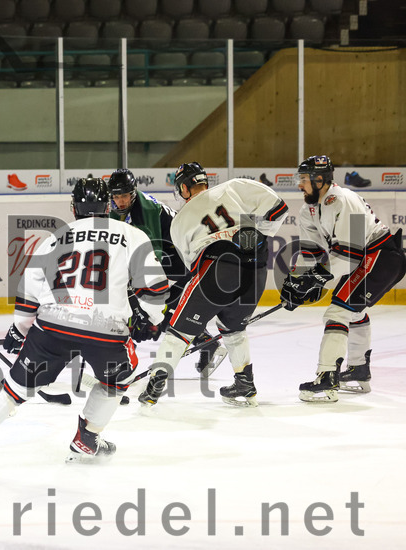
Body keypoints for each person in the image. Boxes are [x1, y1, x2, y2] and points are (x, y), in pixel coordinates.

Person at [0, 178, 169, 463]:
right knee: (118, 379)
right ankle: (88, 436)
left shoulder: (55, 237)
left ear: (74, 207)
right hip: (106, 330)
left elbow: (29, 289)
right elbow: (155, 288)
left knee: (16, 387)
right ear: (108, 205)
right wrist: (150, 320)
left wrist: (20, 328)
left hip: (52, 326)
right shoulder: (132, 234)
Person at [139, 162, 289, 408]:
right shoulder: (234, 187)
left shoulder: (180, 220)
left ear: (184, 188)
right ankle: (245, 384)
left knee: (178, 330)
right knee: (234, 328)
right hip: (257, 267)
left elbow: (193, 267)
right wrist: (259, 234)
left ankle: (154, 386)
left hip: (216, 266)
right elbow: (279, 208)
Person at [282, 155, 406, 402]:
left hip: (381, 256)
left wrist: (315, 279)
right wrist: (297, 283)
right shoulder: (308, 209)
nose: (299, 185)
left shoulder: (344, 199)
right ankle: (358, 369)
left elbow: (349, 254)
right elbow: (313, 252)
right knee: (354, 310)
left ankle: (327, 378)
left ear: (320, 180)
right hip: (365, 257)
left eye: (304, 179)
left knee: (338, 311)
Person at [106, 169, 222, 407]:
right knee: (160, 310)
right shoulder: (119, 211)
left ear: (134, 193)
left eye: (125, 196)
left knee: (154, 308)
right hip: (169, 262)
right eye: (116, 196)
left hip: (181, 262)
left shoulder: (146, 210)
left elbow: (151, 257)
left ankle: (206, 342)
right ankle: (206, 342)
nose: (120, 201)